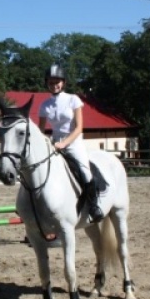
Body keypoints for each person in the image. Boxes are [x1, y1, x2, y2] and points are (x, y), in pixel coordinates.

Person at [38, 64, 103, 221]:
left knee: (85, 172)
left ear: (63, 83)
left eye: (57, 82)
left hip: (73, 142)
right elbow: (40, 131)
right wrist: (47, 143)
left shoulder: (73, 99)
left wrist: (64, 143)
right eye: (51, 82)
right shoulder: (44, 105)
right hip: (54, 143)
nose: (54, 85)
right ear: (47, 84)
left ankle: (94, 207)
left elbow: (79, 127)